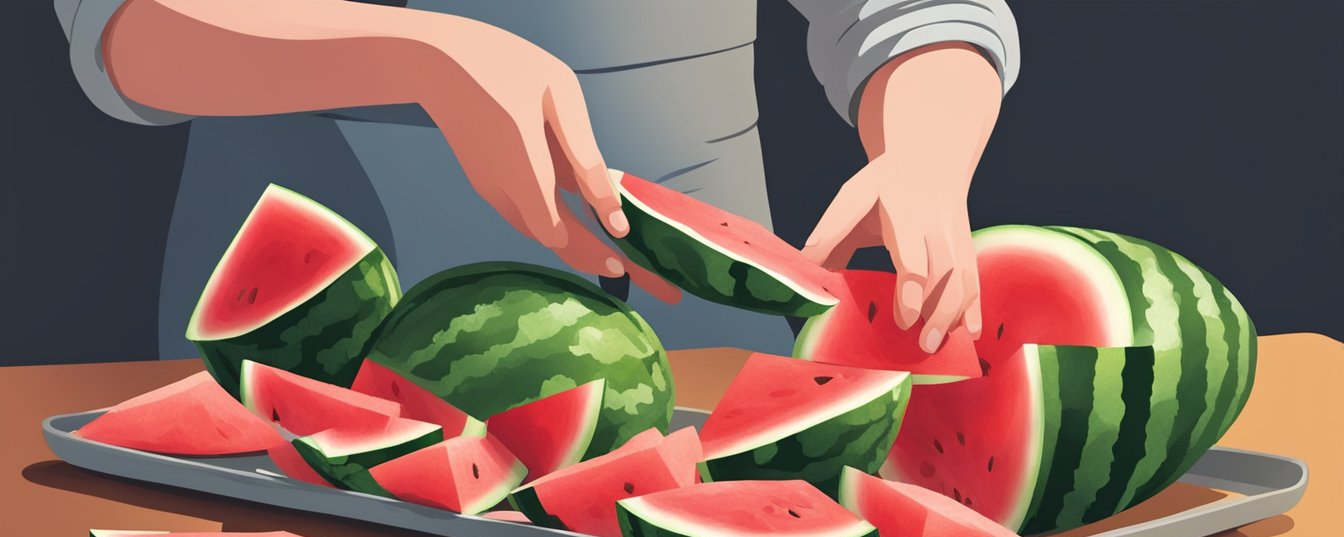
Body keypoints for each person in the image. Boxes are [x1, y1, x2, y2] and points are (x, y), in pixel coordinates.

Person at [55, 0, 1018, 358]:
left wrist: (923, 153)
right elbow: (127, 35)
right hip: (316, 361)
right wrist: (419, 51)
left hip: (706, 363)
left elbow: (917, 13)